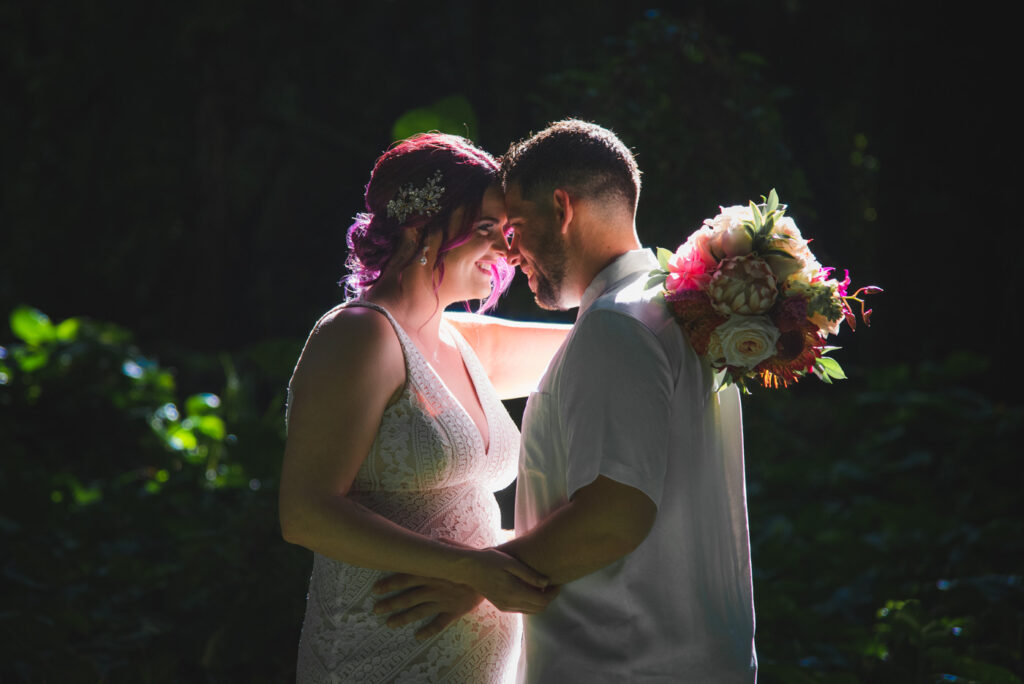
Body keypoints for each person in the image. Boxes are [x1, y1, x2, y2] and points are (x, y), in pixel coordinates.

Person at [377, 120, 757, 682]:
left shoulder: (616, 327)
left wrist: (476, 579)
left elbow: (614, 516)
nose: (510, 252)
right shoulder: (674, 309)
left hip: (623, 661)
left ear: (563, 209)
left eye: (518, 227)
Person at [279, 132, 568, 683]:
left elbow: (596, 342)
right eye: (487, 229)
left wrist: (698, 297)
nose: (507, 251)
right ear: (421, 224)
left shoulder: (461, 340)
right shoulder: (361, 336)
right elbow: (305, 512)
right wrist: (471, 568)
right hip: (378, 650)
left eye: (505, 232)